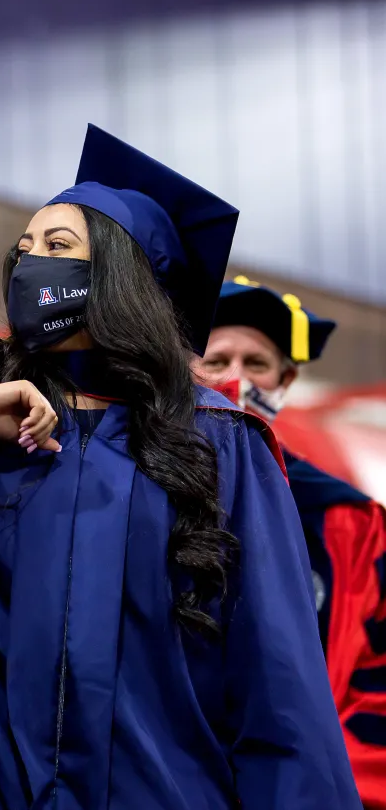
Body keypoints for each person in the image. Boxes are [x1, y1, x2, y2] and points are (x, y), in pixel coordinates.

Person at [0, 125, 359, 809]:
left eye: (58, 248)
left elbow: (278, 688)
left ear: (125, 276)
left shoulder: (220, 442)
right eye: (23, 251)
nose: (32, 266)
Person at [194, 277, 386, 809]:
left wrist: (316, 779)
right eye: (217, 359)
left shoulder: (349, 524)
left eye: (257, 364)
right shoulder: (131, 487)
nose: (236, 380)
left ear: (286, 380)